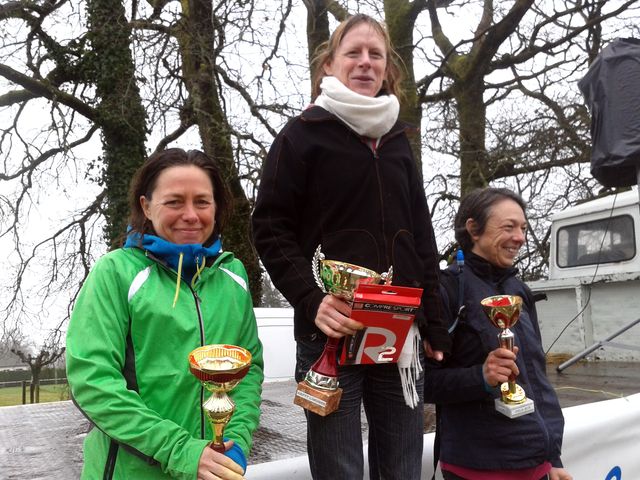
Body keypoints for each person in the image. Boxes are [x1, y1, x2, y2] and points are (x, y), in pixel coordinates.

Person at [251, 14, 450, 480]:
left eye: (375, 54)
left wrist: (435, 320)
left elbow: (421, 236)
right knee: (338, 469)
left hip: (398, 332)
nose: (365, 62)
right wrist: (311, 299)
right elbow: (269, 227)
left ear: (387, 68)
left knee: (402, 468)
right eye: (353, 53)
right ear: (330, 64)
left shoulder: (398, 142)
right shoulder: (301, 135)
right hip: (330, 330)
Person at [66, 148, 264, 480]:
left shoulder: (234, 276)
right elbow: (92, 382)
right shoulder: (116, 273)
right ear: (146, 206)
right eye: (174, 202)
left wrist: (235, 443)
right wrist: (182, 452)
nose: (190, 215)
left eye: (202, 202)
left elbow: (248, 369)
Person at [424, 187, 572, 480]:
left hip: (537, 464)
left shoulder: (520, 290)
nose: (520, 237)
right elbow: (422, 383)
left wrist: (553, 456)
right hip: (477, 467)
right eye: (508, 227)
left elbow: (536, 377)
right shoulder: (446, 290)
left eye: (523, 228)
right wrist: (481, 377)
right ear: (473, 229)